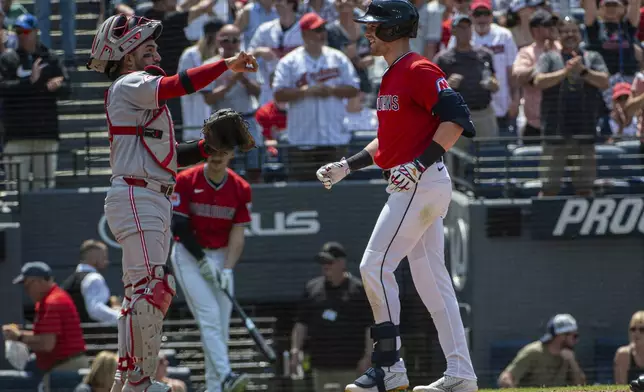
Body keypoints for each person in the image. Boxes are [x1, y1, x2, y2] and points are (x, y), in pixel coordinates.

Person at [86, 13, 258, 392]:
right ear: (124, 55)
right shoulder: (130, 83)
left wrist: (207, 147)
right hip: (138, 194)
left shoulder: (139, 93)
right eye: (144, 43)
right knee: (152, 289)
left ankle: (127, 379)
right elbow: (180, 84)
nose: (154, 48)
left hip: (148, 194)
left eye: (153, 43)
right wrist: (225, 65)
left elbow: (168, 158)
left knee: (139, 293)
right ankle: (140, 382)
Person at [315, 0, 477, 391]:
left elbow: (458, 120)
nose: (367, 31)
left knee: (374, 266)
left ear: (394, 28)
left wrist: (419, 164)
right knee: (432, 283)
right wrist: (347, 166)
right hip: (418, 182)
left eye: (373, 26)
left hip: (420, 184)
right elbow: (388, 142)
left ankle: (389, 365)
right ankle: (461, 374)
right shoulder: (390, 74)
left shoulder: (419, 68)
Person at [169, 148, 252, 392]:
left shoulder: (241, 187)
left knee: (220, 329)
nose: (217, 157)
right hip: (188, 255)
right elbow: (179, 226)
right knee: (210, 318)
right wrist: (202, 260)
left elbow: (238, 233)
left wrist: (227, 269)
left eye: (222, 152)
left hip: (221, 256)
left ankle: (215, 388)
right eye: (212, 151)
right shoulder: (185, 180)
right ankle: (226, 376)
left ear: (231, 154)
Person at [290, 242, 373, 392]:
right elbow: (301, 323)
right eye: (322, 262)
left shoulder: (358, 290)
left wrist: (368, 356)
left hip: (351, 367)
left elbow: (370, 326)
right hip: (320, 367)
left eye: (329, 262)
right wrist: (295, 350)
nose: (325, 266)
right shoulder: (312, 288)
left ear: (342, 263)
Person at [2, 261, 88, 392]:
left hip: (65, 369)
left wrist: (19, 337)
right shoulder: (52, 298)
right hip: (64, 367)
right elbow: (45, 337)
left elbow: (47, 344)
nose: (26, 290)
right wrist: (20, 334)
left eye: (27, 284)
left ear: (38, 281)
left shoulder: (52, 302)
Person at [497, 314, 586, 388]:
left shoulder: (568, 357)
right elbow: (506, 378)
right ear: (561, 336)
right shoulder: (533, 352)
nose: (576, 341)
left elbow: (580, 386)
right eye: (575, 336)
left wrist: (572, 362)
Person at [61, 239, 120, 325]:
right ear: (94, 258)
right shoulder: (94, 278)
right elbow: (95, 310)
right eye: (104, 257)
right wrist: (122, 318)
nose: (107, 261)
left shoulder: (71, 280)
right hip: (94, 335)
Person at [613, 311, 644, 385]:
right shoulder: (623, 354)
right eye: (633, 329)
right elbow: (621, 386)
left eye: (642, 329)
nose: (636, 333)